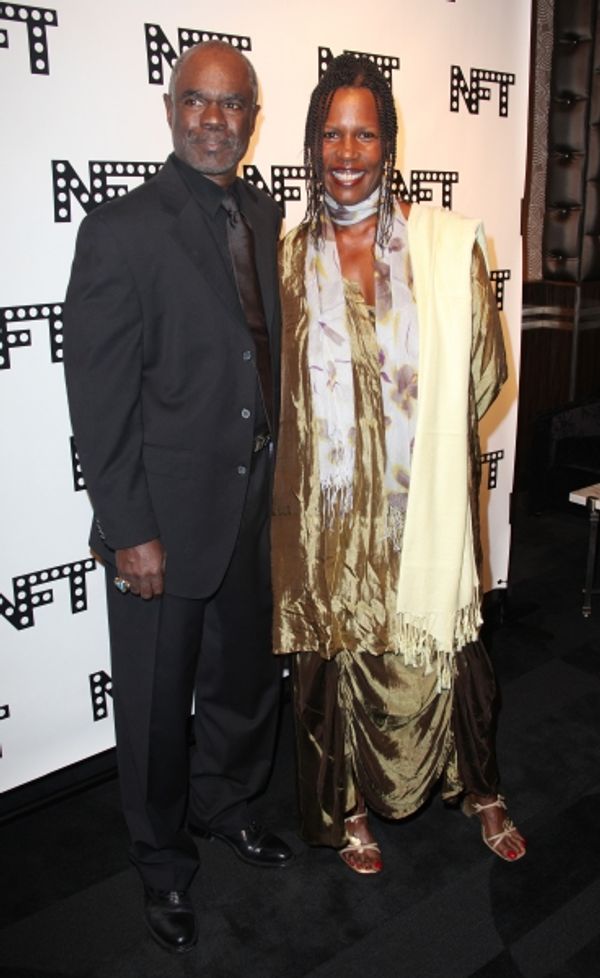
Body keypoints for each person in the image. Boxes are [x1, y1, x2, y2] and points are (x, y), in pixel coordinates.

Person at [63, 40, 292, 954]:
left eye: (231, 105)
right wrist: (131, 530)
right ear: (170, 110)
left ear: (251, 118)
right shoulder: (121, 228)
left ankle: (227, 807)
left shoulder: (272, 218)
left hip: (259, 501)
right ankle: (161, 862)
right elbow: (99, 394)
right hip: (164, 517)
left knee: (244, 683)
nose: (213, 119)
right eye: (196, 101)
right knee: (158, 705)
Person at [271, 54, 526, 875]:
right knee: (335, 654)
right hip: (329, 512)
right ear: (314, 145)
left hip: (423, 504)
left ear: (389, 143)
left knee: (455, 651)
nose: (348, 151)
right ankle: (346, 809)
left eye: (364, 133)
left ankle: (481, 788)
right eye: (332, 134)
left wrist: (420, 456)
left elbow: (485, 375)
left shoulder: (443, 249)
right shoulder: (286, 257)